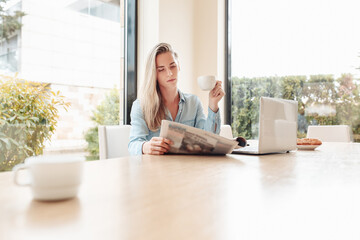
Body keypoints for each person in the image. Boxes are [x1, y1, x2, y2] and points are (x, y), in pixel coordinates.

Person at [128, 43, 225, 155]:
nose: (169, 73)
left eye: (172, 66)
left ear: (179, 66)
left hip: (188, 168)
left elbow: (209, 140)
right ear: (154, 74)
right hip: (156, 169)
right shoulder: (141, 106)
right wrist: (145, 147)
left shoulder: (193, 102)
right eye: (161, 69)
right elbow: (133, 144)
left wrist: (213, 104)